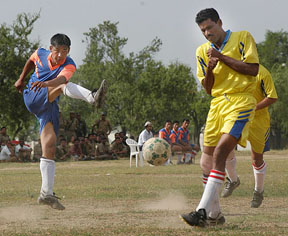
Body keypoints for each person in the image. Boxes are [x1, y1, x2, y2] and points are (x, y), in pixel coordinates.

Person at [180, 8, 259, 227]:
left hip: (240, 100)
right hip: (216, 104)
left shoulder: (242, 37)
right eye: (203, 30)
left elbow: (253, 69)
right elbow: (207, 88)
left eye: (210, 28)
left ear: (220, 23)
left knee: (221, 153)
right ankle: (215, 216)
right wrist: (211, 70)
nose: (206, 33)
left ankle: (200, 212)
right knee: (206, 162)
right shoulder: (202, 51)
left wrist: (222, 57)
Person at [14, 33, 107, 210]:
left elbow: (62, 79)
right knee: (61, 87)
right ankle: (92, 97)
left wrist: (48, 84)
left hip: (49, 104)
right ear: (51, 49)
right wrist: (21, 78)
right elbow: (31, 60)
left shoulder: (69, 64)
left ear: (68, 51)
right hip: (33, 96)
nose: (60, 55)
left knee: (49, 147)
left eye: (64, 51)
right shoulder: (41, 53)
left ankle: (46, 193)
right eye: (57, 51)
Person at [221, 64, 278, 208]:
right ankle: (233, 180)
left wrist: (253, 107)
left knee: (257, 159)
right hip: (238, 116)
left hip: (259, 121)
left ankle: (258, 192)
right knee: (225, 148)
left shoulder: (263, 73)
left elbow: (272, 97)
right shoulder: (234, 71)